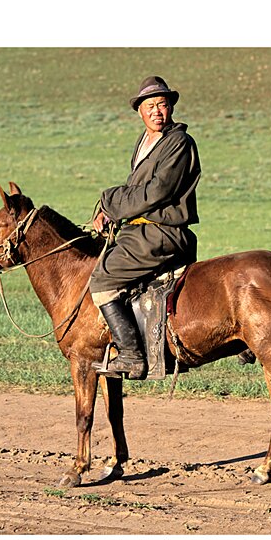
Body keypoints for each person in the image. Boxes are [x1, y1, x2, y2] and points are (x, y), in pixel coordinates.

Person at [89, 76, 201, 379]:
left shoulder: (178, 142)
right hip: (141, 229)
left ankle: (131, 355)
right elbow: (135, 189)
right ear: (140, 110)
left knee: (101, 278)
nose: (156, 111)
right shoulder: (145, 141)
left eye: (162, 104)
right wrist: (108, 214)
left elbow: (157, 192)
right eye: (150, 105)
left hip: (163, 231)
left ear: (171, 107)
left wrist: (109, 201)